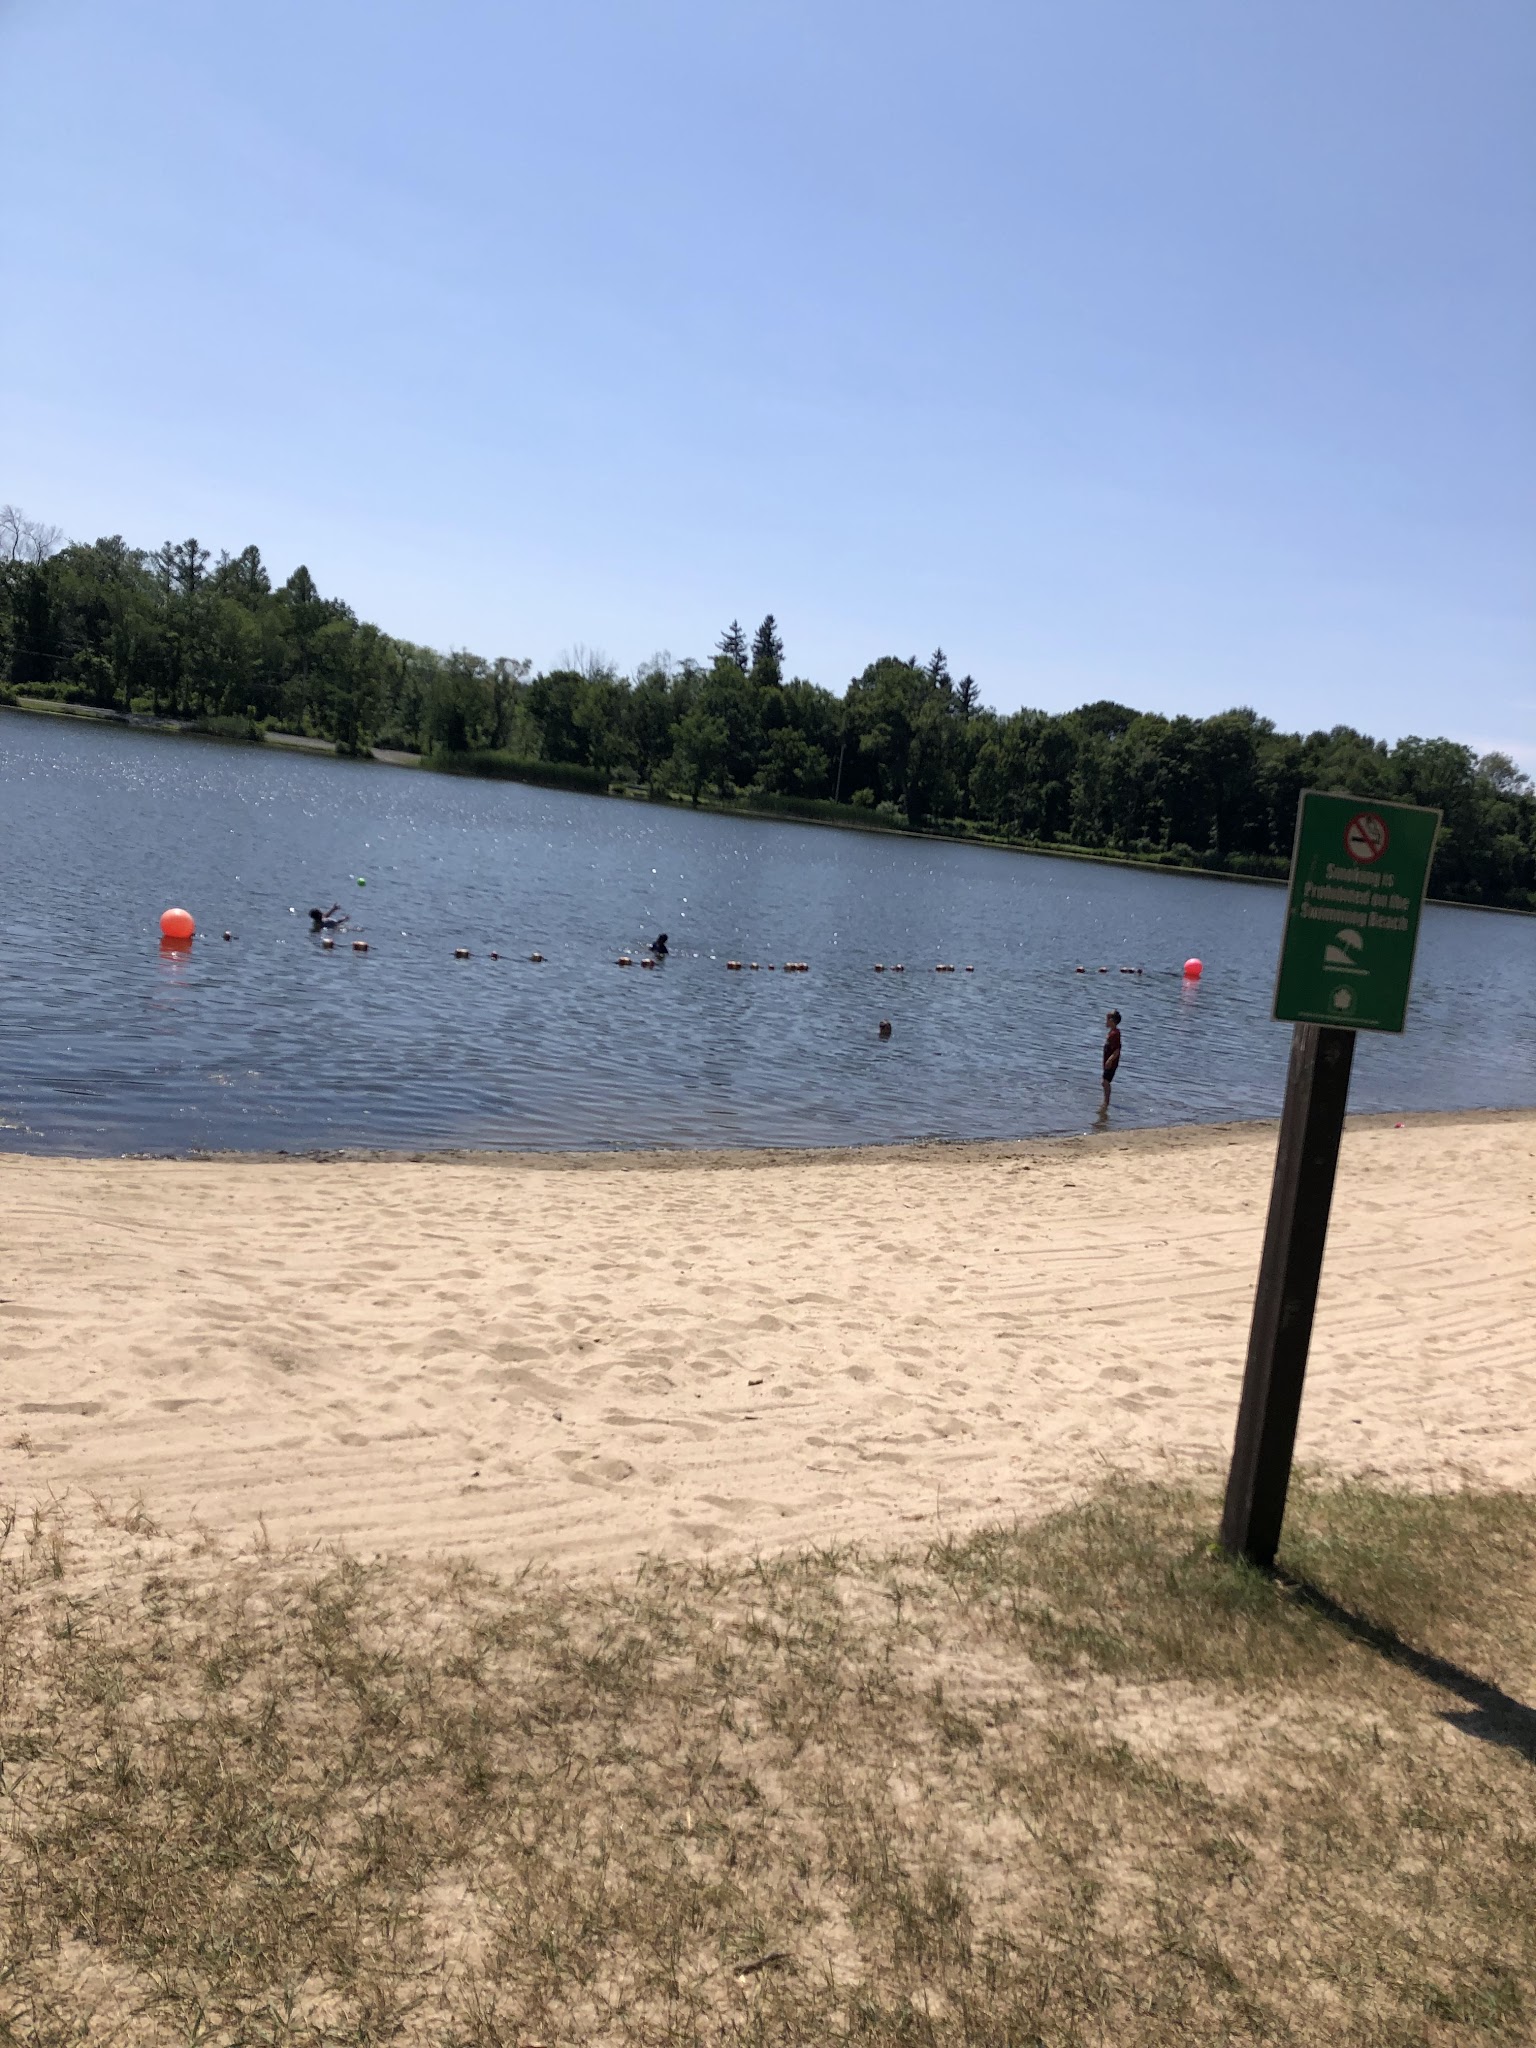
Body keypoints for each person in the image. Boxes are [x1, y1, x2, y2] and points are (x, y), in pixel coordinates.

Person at [1101, 1009, 1122, 1110]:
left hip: (1111, 1063)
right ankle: (1106, 1101)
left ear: (1112, 1021)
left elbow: (1117, 1050)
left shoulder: (1115, 1034)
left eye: (1107, 1019)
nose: (1106, 1022)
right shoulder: (1112, 1033)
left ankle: (1106, 1102)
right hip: (1108, 1062)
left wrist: (1110, 1060)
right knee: (1104, 1082)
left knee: (1106, 1082)